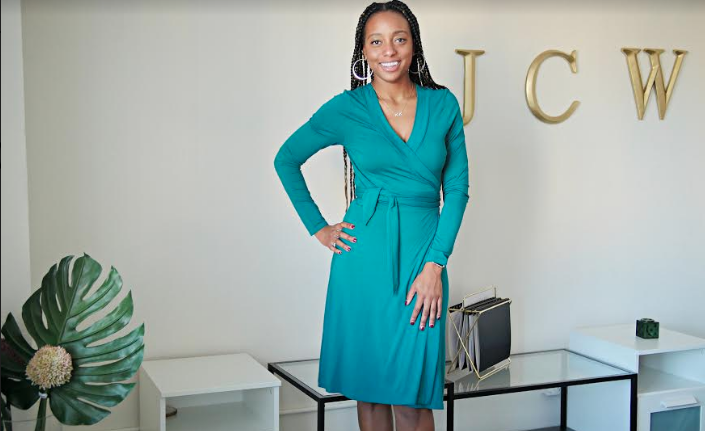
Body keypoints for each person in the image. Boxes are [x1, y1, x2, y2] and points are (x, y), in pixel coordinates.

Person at [273, 1, 469, 430]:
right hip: (362, 262)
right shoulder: (348, 108)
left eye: (399, 39)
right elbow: (286, 158)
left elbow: (456, 191)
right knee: (371, 393)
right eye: (376, 41)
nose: (389, 50)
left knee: (414, 399)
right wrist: (319, 228)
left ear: (414, 44)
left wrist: (436, 264)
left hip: (423, 258)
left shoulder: (443, 105)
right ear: (363, 51)